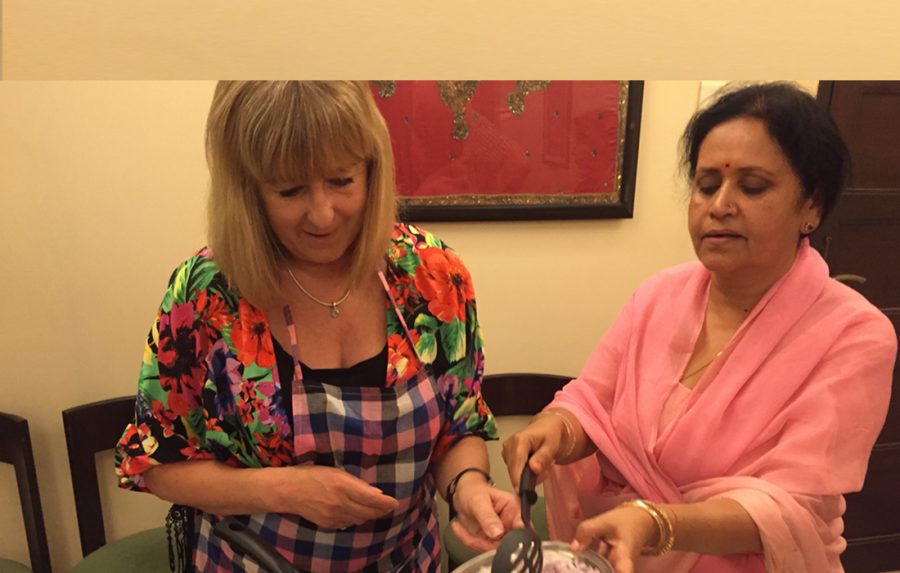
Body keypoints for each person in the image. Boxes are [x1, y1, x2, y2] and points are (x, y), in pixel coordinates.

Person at [114, 81, 521, 573]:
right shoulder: (207, 294)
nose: (324, 215)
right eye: (289, 190)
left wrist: (468, 486)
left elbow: (458, 425)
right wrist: (283, 490)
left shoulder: (431, 274)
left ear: (371, 168)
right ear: (247, 189)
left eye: (342, 181)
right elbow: (158, 463)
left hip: (406, 562)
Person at [502, 82, 896, 573]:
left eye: (753, 187)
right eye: (707, 185)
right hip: (618, 553)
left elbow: (791, 509)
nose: (719, 205)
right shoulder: (658, 295)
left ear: (811, 206)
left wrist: (656, 523)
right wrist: (555, 431)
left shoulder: (854, 335)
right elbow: (591, 403)